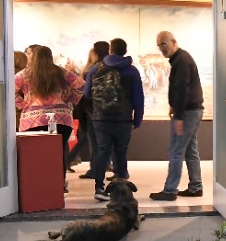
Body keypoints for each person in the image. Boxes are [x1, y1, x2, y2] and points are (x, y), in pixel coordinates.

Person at [14, 45, 84, 191]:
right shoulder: (61, 72)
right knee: (58, 154)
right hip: (61, 119)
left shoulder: (25, 74)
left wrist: (21, 104)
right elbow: (81, 85)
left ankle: (39, 186)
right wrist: (71, 100)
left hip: (33, 121)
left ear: (34, 57)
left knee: (35, 155)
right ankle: (58, 186)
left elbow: (9, 89)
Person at [84, 37, 145, 202]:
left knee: (103, 151)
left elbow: (87, 93)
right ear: (125, 51)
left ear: (110, 50)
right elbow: (138, 98)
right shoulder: (131, 71)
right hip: (123, 119)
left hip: (100, 119)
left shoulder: (96, 68)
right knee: (121, 152)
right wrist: (137, 120)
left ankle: (99, 188)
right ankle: (122, 189)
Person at [150, 31, 204, 201]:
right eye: (159, 45)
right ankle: (196, 187)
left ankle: (170, 190)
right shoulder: (181, 59)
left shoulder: (181, 61)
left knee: (176, 151)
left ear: (174, 42)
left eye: (164, 44)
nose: (162, 48)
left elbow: (182, 90)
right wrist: (174, 107)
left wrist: (179, 116)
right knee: (190, 150)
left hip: (187, 113)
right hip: (192, 110)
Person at [76, 41, 110, 178]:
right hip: (111, 111)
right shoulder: (114, 67)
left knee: (95, 142)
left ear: (95, 52)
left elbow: (87, 92)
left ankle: (95, 170)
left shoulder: (94, 69)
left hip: (93, 111)